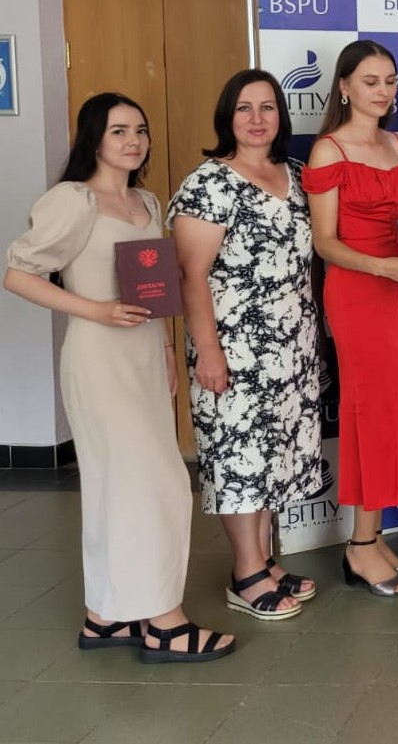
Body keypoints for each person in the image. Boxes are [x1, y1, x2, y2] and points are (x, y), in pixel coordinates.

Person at [4, 92, 235, 662]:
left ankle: (106, 616)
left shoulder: (145, 201)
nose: (134, 141)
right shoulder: (72, 200)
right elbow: (18, 274)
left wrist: (165, 347)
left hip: (143, 357)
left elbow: (152, 288)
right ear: (94, 138)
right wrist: (97, 310)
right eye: (119, 131)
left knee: (121, 487)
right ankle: (165, 622)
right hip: (99, 360)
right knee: (151, 486)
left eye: (140, 130)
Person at [169, 69, 322, 621]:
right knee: (240, 457)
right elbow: (192, 275)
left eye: (267, 107)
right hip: (234, 346)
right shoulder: (210, 182)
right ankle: (246, 573)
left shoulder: (296, 174)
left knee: (272, 454)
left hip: (293, 343)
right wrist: (207, 351)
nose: (257, 119)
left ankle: (264, 560)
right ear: (226, 117)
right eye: (244, 108)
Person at [302, 39, 398, 597]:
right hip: (360, 290)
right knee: (370, 412)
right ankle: (358, 545)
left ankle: (372, 537)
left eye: (390, 81)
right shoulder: (328, 151)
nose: (383, 91)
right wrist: (385, 267)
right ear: (344, 86)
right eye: (371, 81)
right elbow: (325, 242)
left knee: (396, 411)